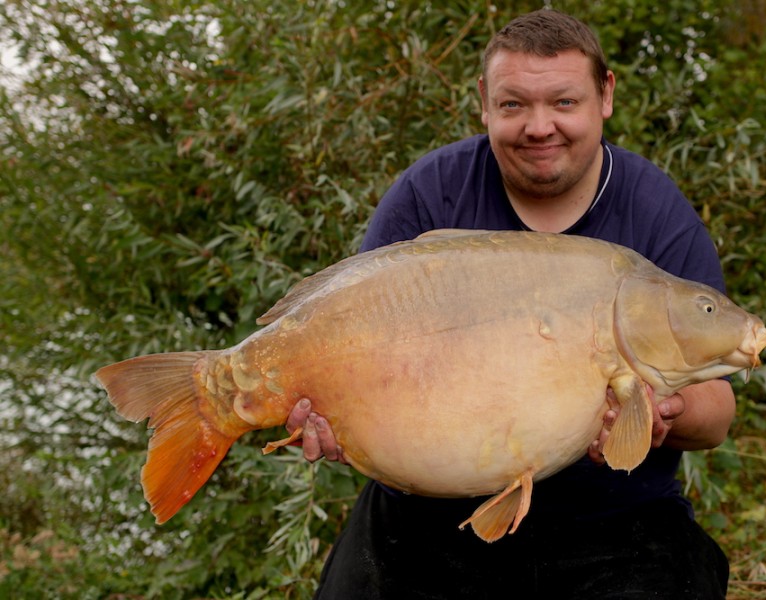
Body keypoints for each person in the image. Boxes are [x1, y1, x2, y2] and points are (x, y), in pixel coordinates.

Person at [288, 9, 733, 599]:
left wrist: (661, 415)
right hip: (429, 513)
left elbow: (718, 414)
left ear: (605, 95)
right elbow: (352, 342)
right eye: (514, 104)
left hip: (614, 520)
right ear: (484, 102)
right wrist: (331, 416)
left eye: (564, 103)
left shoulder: (653, 209)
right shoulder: (428, 193)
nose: (539, 126)